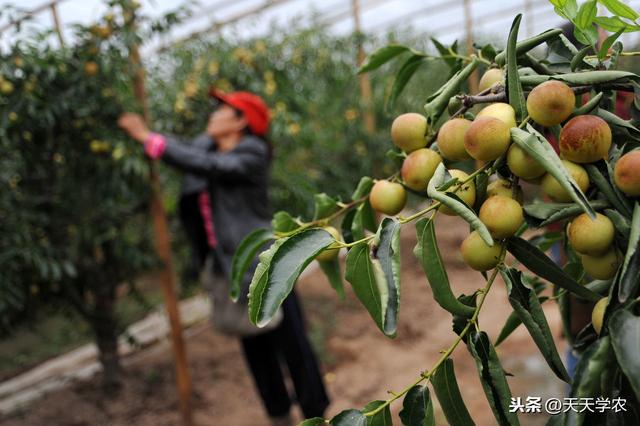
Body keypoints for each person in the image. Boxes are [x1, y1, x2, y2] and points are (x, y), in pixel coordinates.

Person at [118, 88, 330, 425]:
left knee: (292, 343)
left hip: (267, 266)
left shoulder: (252, 152)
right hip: (230, 268)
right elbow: (191, 152)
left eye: (223, 110)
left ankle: (316, 413)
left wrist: (147, 137)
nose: (212, 114)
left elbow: (202, 163)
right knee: (254, 348)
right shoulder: (211, 148)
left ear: (241, 122)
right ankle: (279, 415)